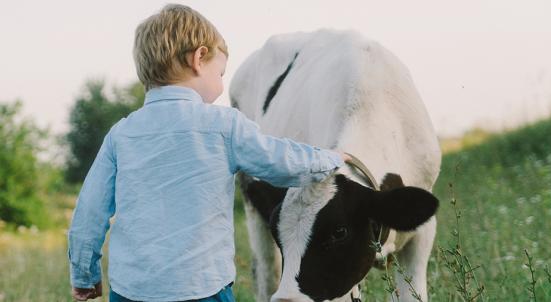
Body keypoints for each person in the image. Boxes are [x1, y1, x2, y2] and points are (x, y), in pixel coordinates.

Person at [67, 3, 350, 301]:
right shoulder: (223, 125)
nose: (222, 83)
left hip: (132, 291)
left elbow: (89, 214)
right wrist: (330, 158)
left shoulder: (121, 134)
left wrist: (84, 275)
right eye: (221, 72)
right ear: (199, 58)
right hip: (202, 288)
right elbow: (279, 161)